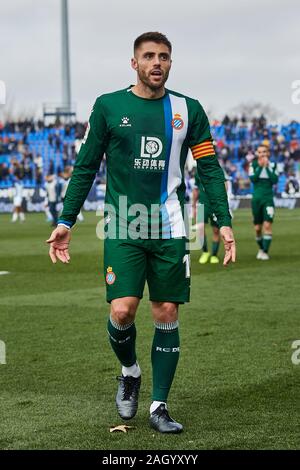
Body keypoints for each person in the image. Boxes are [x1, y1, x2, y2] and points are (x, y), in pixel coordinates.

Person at [46, 32, 236, 434]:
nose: (157, 63)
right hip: (123, 224)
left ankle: (159, 405)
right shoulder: (108, 107)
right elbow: (85, 168)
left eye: (164, 57)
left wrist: (223, 220)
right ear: (134, 63)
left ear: (170, 63)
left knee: (166, 312)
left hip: (170, 227)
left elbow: (209, 168)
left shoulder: (189, 110)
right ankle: (130, 371)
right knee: (122, 310)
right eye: (148, 56)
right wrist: (66, 220)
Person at [249, 144, 278, 260]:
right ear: (257, 154)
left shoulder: (274, 165)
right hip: (256, 199)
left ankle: (265, 252)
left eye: (264, 152)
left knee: (267, 225)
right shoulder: (253, 165)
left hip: (268, 199)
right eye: (260, 152)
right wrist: (261, 167)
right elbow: (253, 179)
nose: (262, 154)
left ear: (268, 153)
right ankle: (261, 248)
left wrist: (266, 167)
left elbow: (275, 180)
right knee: (257, 228)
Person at [192, 173, 221, 264]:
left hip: (215, 205)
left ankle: (214, 255)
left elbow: (224, 187)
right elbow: (196, 189)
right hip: (202, 204)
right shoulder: (197, 173)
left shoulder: (216, 170)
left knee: (216, 230)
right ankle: (205, 252)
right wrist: (194, 205)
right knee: (200, 228)